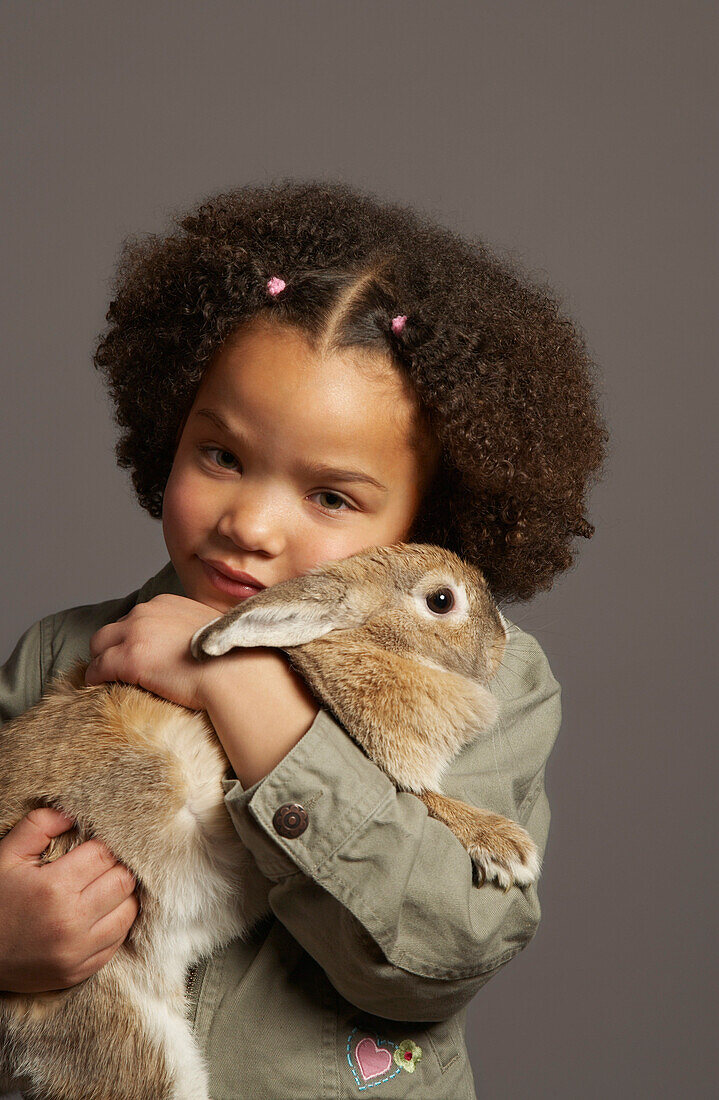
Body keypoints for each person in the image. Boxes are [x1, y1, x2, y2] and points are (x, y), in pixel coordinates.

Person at [0, 179, 607, 1098]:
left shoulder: (493, 683)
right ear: (170, 428)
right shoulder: (67, 651)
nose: (250, 523)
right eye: (222, 457)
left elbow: (437, 952)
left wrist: (241, 691)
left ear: (422, 525)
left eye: (328, 496)